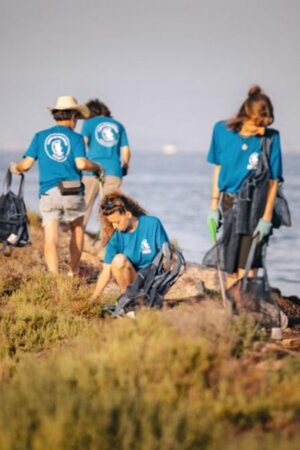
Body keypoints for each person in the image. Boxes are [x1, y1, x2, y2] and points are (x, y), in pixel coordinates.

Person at [10, 96, 103, 276]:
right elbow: (82, 164)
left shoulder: (40, 136)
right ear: (74, 116)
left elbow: (26, 165)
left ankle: (54, 279)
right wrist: (97, 167)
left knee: (50, 238)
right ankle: (72, 272)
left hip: (48, 193)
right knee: (77, 230)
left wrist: (15, 168)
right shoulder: (76, 139)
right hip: (73, 192)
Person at [206, 85, 283, 288]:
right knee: (229, 263)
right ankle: (232, 310)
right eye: (258, 124)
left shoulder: (271, 138)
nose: (262, 130)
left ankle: (242, 306)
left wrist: (266, 218)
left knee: (247, 265)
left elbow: (273, 181)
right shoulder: (221, 131)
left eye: (266, 125)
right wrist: (214, 206)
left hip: (255, 206)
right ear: (245, 116)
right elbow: (218, 168)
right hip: (230, 203)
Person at [89, 191, 169, 303]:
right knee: (118, 260)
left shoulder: (153, 224)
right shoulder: (115, 236)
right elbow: (106, 271)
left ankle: (142, 301)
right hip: (133, 281)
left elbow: (167, 256)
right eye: (111, 223)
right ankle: (127, 302)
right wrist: (93, 298)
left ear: (128, 214)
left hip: (152, 281)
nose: (114, 226)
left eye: (117, 222)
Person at [81, 99, 131, 229]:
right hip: (113, 171)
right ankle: (107, 245)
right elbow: (125, 150)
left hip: (90, 170)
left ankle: (77, 243)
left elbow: (82, 144)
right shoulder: (119, 125)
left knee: (84, 207)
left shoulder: (88, 124)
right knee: (111, 210)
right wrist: (125, 166)